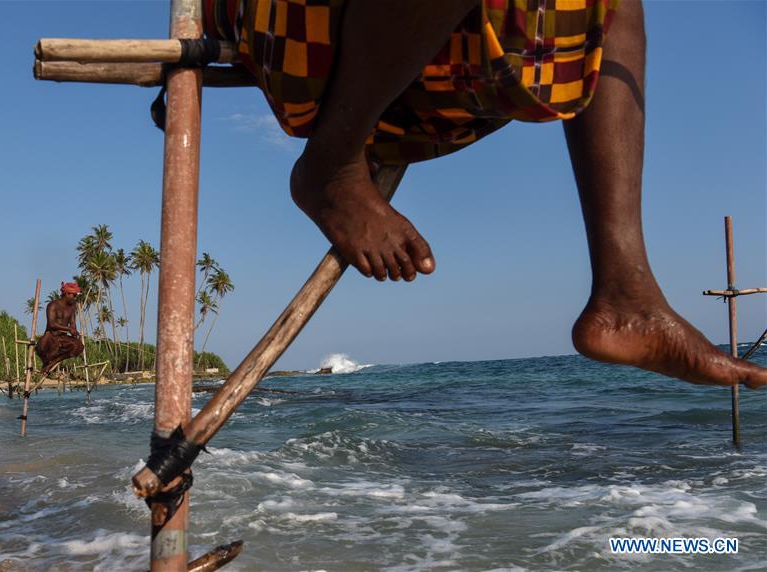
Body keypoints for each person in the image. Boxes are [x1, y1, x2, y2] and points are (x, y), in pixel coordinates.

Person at [192, 0, 766, 389]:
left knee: (608, 7)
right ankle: (331, 166)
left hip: (430, 66)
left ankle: (625, 294)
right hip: (289, 31)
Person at [35, 281, 85, 377]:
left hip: (63, 337)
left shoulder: (72, 308)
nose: (75, 298)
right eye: (73, 295)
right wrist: (69, 329)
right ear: (66, 294)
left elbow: (73, 323)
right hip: (51, 335)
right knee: (43, 346)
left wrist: (74, 331)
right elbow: (51, 324)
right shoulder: (52, 305)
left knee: (78, 346)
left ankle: (54, 363)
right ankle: (47, 364)